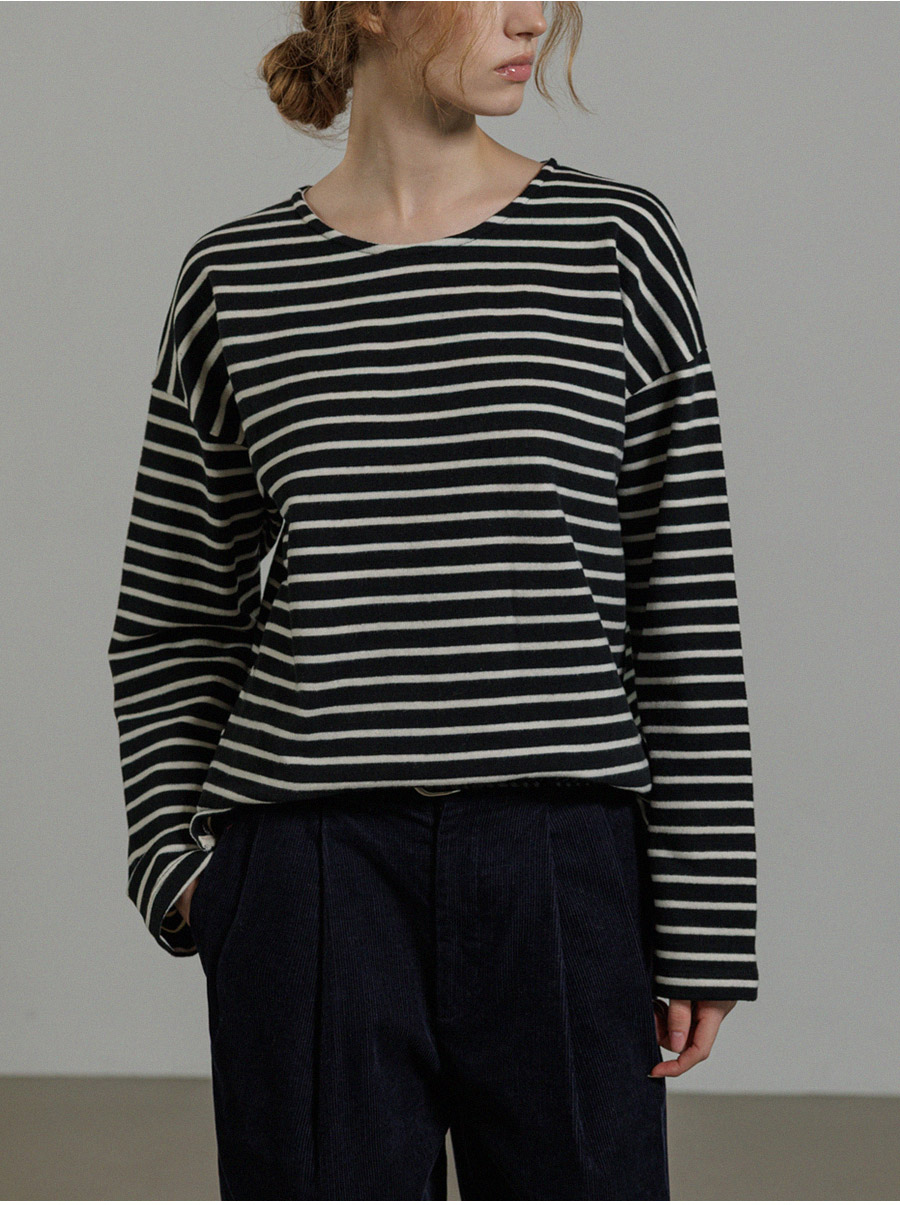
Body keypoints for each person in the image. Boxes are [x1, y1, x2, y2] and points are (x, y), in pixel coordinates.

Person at [106, 1, 759, 1199]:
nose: (531, 17)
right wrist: (181, 868)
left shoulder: (613, 242)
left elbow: (682, 598)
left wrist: (705, 914)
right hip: (310, 877)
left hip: (561, 867)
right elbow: (174, 610)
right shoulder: (236, 277)